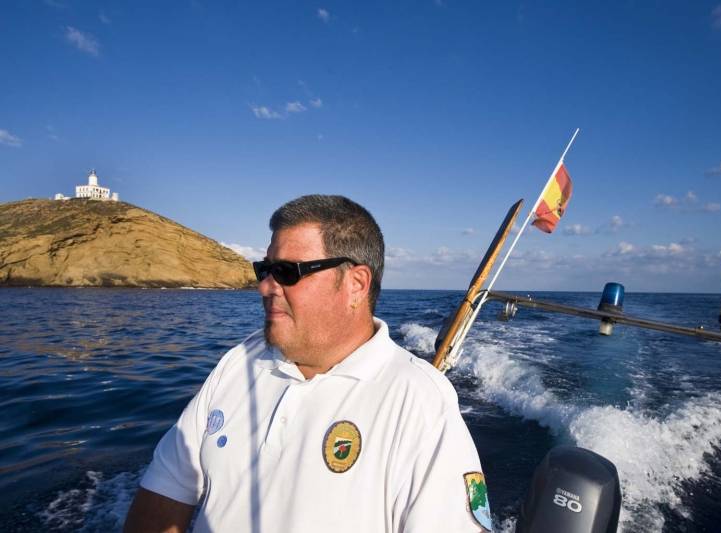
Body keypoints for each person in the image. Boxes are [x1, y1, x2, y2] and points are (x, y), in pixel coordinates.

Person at [123, 194, 491, 532]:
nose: (266, 286)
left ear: (356, 284)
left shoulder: (420, 401)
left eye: (287, 272)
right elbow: (167, 489)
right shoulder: (238, 363)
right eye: (264, 270)